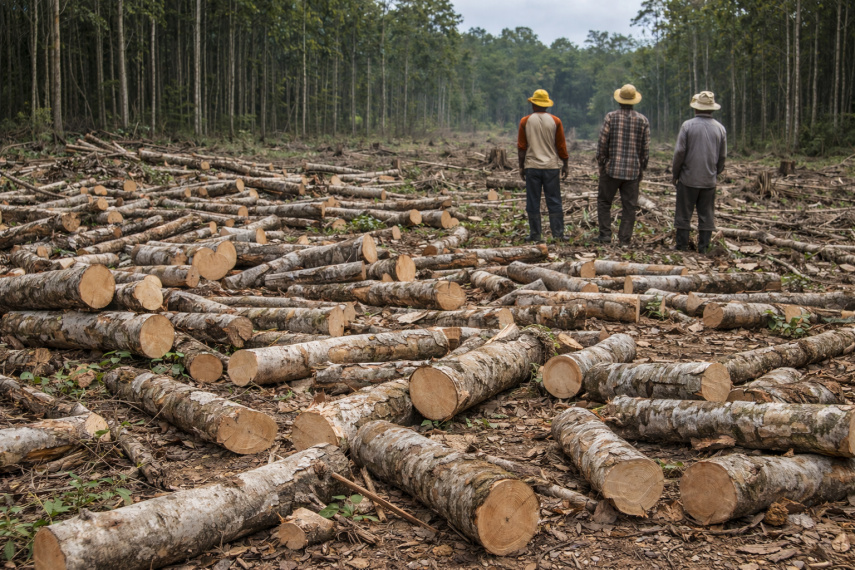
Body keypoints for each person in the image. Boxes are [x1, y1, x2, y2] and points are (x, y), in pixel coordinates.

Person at [671, 91, 727, 253]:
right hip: (709, 180)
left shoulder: (687, 126)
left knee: (683, 213)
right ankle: (703, 247)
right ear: (712, 109)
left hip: (688, 178)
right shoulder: (720, 129)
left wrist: (676, 174)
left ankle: (681, 246)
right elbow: (722, 156)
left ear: (696, 108)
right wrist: (715, 173)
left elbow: (679, 153)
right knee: (706, 215)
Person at [595, 84, 650, 246]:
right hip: (632, 172)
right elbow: (645, 149)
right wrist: (642, 169)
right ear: (634, 101)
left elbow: (602, 144)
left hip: (611, 169)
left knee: (604, 202)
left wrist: (602, 162)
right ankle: (624, 239)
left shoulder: (611, 117)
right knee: (629, 207)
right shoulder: (642, 120)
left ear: (619, 100)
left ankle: (605, 235)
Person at [517, 89, 570, 242]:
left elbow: (522, 147)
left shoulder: (525, 121)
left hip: (532, 167)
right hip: (551, 167)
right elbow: (561, 146)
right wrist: (565, 163)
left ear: (533, 104)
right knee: (554, 200)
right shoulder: (555, 121)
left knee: (533, 201)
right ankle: (558, 234)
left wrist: (521, 166)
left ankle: (535, 235)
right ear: (546, 105)